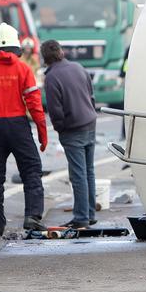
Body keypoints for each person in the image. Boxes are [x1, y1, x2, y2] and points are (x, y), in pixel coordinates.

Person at [0, 23, 48, 237]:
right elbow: (34, 104)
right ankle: (32, 216)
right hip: (17, 125)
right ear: (16, 45)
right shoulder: (23, 69)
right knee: (31, 171)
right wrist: (42, 132)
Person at [42, 40, 98, 228]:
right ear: (61, 52)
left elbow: (55, 110)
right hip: (90, 123)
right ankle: (90, 213)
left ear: (45, 58)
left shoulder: (51, 77)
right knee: (88, 171)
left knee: (78, 174)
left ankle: (81, 217)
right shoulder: (78, 67)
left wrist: (60, 128)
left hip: (72, 129)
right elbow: (91, 94)